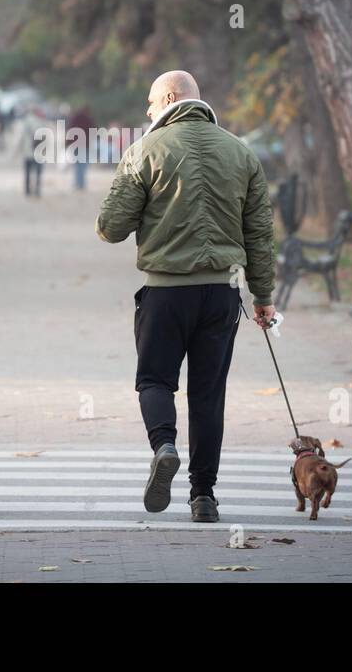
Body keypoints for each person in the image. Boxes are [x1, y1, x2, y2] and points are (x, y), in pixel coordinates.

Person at [95, 70, 275, 524]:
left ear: (170, 99)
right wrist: (264, 296)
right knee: (208, 395)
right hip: (221, 295)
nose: (147, 112)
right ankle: (204, 497)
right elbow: (260, 233)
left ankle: (164, 445)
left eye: (150, 104)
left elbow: (110, 229)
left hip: (165, 294)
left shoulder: (144, 152)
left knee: (155, 381)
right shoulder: (241, 152)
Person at [68, 105, 92, 190]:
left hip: (76, 145)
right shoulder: (88, 119)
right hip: (85, 145)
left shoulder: (74, 118)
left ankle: (78, 183)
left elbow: (70, 131)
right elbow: (94, 131)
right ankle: (81, 184)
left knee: (77, 165)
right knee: (83, 165)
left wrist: (68, 143)